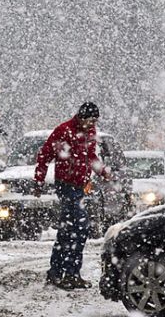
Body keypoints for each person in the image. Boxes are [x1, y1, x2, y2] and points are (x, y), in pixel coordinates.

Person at [33, 102, 111, 290]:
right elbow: (44, 155)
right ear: (81, 117)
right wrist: (39, 180)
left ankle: (61, 272)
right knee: (80, 227)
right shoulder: (64, 130)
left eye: (95, 121)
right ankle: (67, 272)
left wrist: (103, 171)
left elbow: (91, 156)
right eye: (90, 120)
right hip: (66, 185)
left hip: (80, 186)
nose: (92, 124)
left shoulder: (90, 132)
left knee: (68, 231)